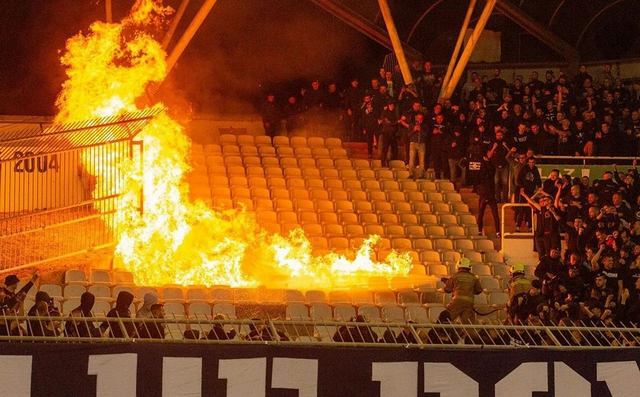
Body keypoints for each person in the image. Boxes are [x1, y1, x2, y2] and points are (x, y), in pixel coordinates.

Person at [442, 258, 483, 323]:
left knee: (445, 318)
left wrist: (447, 282)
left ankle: (440, 332)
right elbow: (479, 290)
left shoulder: (455, 276)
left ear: (458, 266)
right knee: (468, 325)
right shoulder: (473, 277)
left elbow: (447, 290)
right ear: (469, 267)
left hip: (457, 302)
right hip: (469, 303)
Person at [476, 148, 501, 237]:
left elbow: (492, 173)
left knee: (495, 214)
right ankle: (479, 230)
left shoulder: (491, 163)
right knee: (481, 213)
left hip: (491, 193)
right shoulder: (481, 164)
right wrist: (483, 195)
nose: (491, 153)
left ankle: (498, 231)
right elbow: (480, 178)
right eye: (489, 152)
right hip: (483, 193)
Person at [406, 112, 427, 179]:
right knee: (411, 160)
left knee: (422, 160)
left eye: (421, 118)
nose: (419, 120)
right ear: (415, 118)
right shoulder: (412, 125)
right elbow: (408, 135)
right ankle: (411, 174)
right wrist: (414, 130)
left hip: (422, 144)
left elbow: (426, 135)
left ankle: (421, 175)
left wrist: (421, 130)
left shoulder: (425, 126)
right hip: (413, 143)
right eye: (418, 118)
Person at [378, 100, 398, 166]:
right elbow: (387, 122)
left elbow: (395, 121)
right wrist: (395, 122)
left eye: (392, 105)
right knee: (385, 148)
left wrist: (395, 122)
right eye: (390, 105)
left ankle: (394, 163)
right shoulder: (384, 112)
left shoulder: (395, 113)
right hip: (386, 133)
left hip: (393, 133)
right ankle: (383, 163)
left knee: (394, 149)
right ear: (388, 106)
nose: (391, 106)